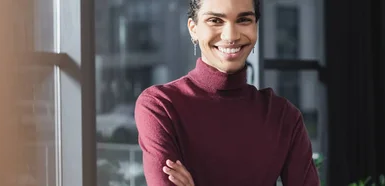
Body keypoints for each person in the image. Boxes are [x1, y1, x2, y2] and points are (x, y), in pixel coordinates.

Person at [134, 0, 320, 185]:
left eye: (244, 20)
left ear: (256, 26)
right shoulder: (161, 106)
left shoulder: (284, 116)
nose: (231, 35)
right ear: (193, 29)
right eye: (215, 20)